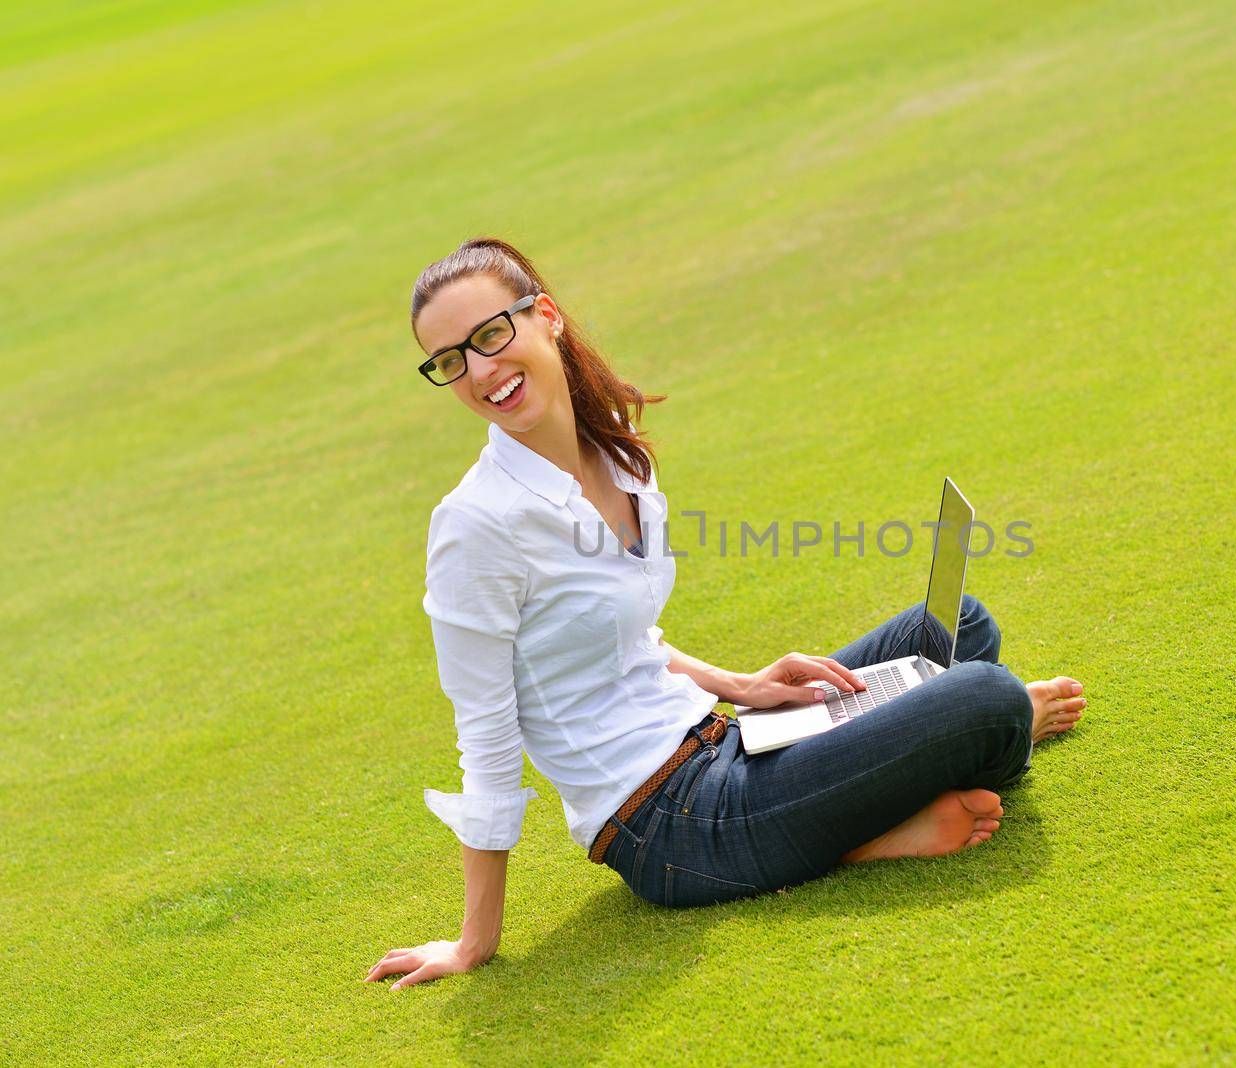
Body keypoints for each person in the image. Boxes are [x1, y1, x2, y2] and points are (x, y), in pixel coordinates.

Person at [364, 236, 1087, 990]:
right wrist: (474, 940)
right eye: (451, 360)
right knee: (988, 698)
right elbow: (484, 731)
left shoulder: (614, 454)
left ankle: (860, 809)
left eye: (489, 335)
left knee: (959, 628)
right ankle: (878, 821)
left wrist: (744, 686)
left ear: (544, 317)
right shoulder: (477, 524)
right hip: (671, 822)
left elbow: (625, 641)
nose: (480, 371)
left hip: (729, 740)